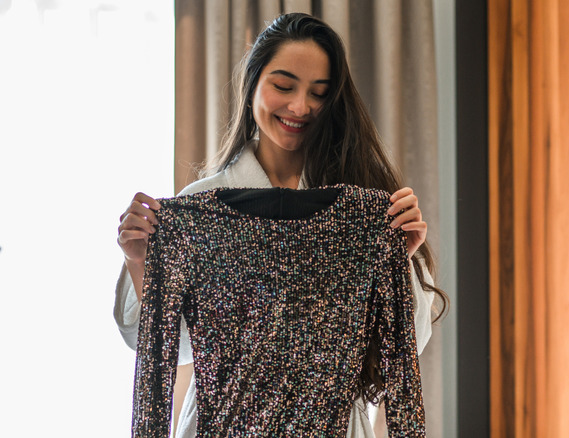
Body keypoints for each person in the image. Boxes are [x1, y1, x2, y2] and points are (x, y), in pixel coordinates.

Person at [114, 12, 447, 437]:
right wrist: (141, 262)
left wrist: (395, 261)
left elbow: (403, 349)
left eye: (319, 93)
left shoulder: (364, 212)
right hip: (221, 424)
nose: (299, 107)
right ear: (253, 82)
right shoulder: (199, 207)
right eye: (283, 86)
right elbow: (167, 349)